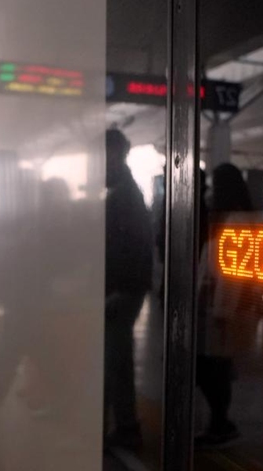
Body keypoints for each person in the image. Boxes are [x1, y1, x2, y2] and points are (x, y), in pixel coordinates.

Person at [195, 163, 257, 447]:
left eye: (213, 186)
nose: (208, 192)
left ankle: (221, 423)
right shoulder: (228, 218)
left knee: (212, 366)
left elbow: (233, 274)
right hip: (217, 305)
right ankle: (219, 421)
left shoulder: (237, 222)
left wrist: (221, 311)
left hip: (223, 309)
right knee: (212, 365)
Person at [103, 128, 153, 449]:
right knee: (115, 359)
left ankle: (124, 425)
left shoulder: (125, 195)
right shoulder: (122, 190)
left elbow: (132, 247)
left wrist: (118, 289)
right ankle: (122, 423)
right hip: (122, 288)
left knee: (114, 360)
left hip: (122, 290)